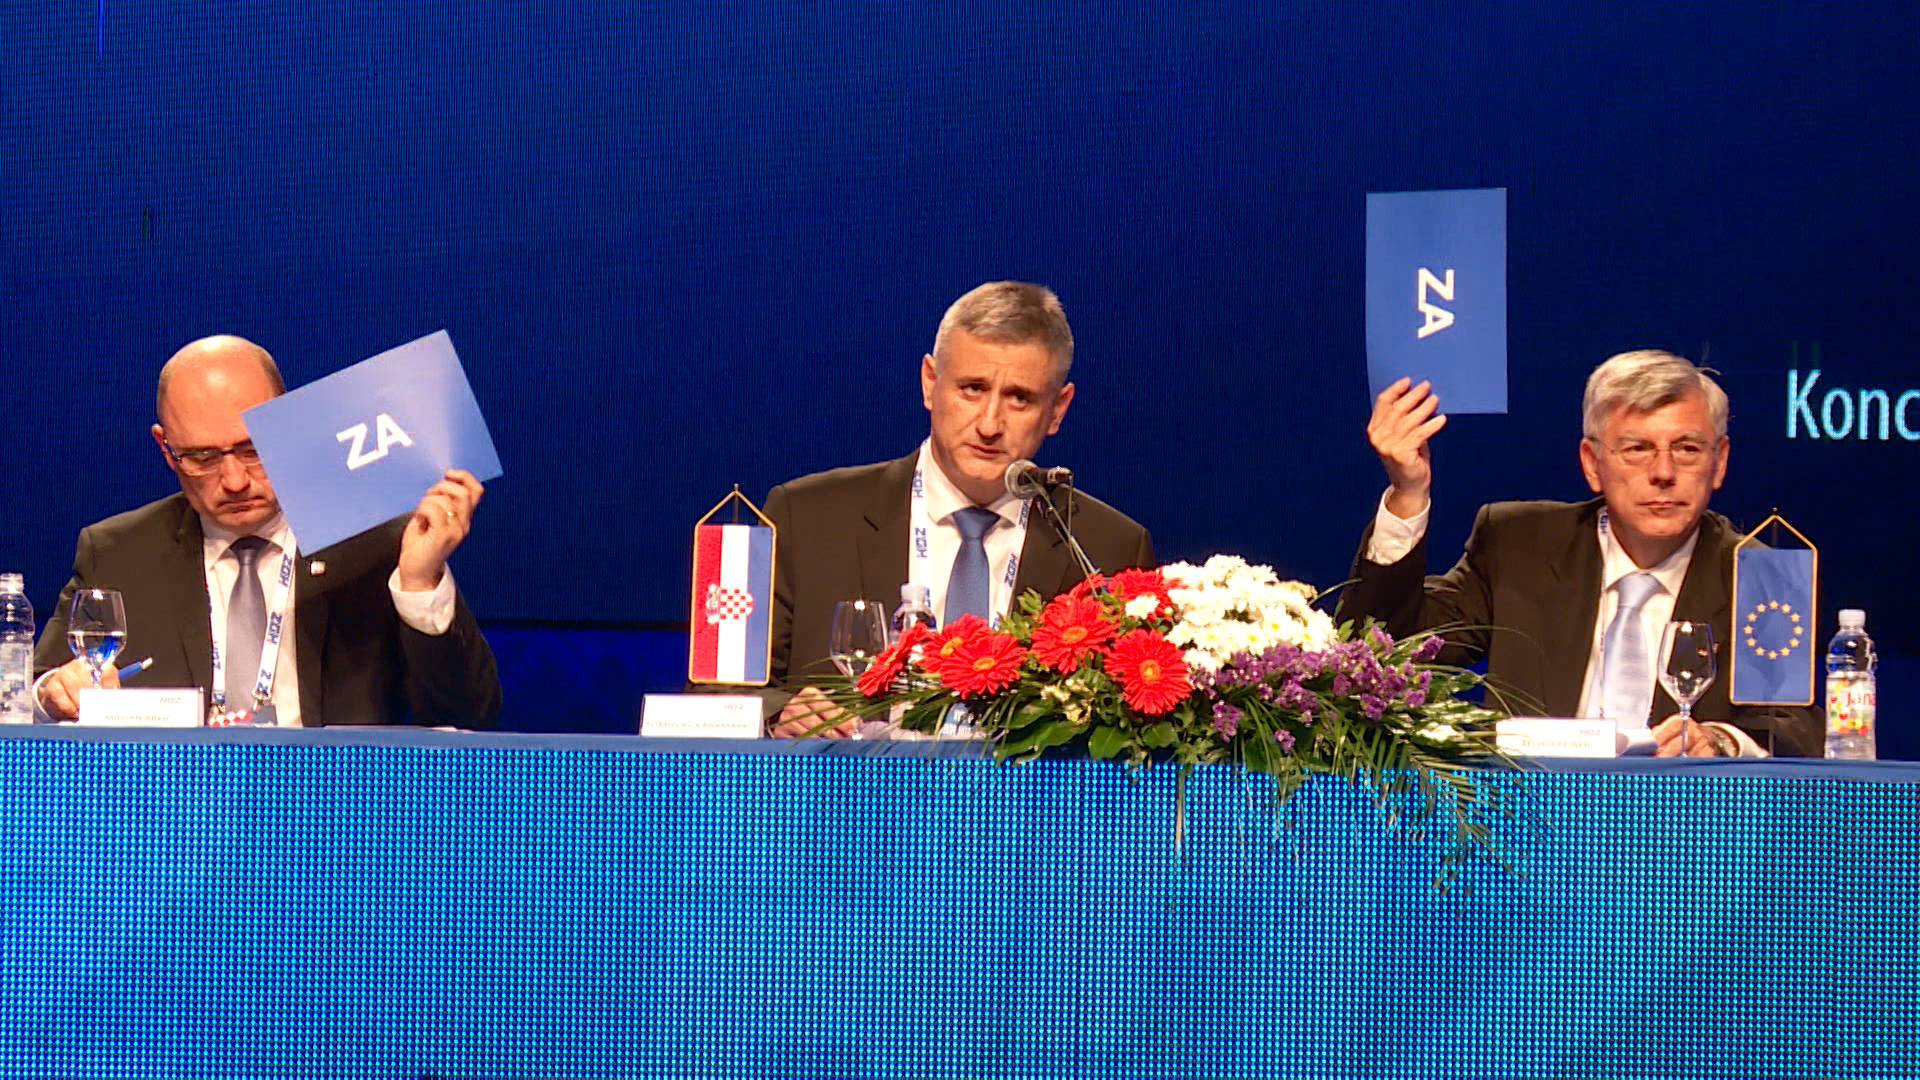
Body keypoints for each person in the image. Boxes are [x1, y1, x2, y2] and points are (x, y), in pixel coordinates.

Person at [1335, 350, 1820, 757]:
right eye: (1637, 449)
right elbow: (1388, 649)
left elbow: (1796, 726)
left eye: (1687, 448)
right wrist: (1408, 492)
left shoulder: (1761, 574)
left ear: (1720, 461)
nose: (1664, 472)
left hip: (1682, 825)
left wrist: (1722, 741)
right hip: (1524, 820)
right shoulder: (1519, 544)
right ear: (1592, 463)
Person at [33, 335, 501, 728]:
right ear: (165, 448)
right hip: (174, 800)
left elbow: (469, 718)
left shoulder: (377, 543)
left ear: (287, 425)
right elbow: (38, 690)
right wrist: (54, 692)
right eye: (202, 457)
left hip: (333, 799)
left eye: (253, 448)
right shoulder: (120, 552)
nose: (235, 480)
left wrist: (419, 584)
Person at [764, 281, 1154, 737]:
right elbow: (722, 689)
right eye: (972, 388)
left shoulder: (1106, 548)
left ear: (1057, 410)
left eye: (1019, 398)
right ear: (930, 383)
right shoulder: (806, 518)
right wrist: (781, 715)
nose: (990, 424)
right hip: (845, 784)